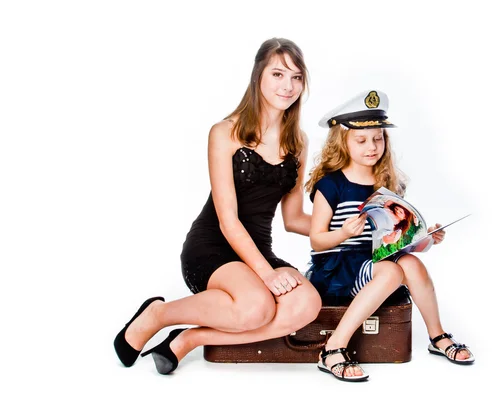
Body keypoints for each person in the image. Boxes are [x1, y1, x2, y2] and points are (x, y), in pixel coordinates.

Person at [114, 38, 322, 375]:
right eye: (278, 74)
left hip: (258, 251)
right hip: (213, 247)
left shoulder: (297, 141)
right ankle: (157, 314)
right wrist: (266, 274)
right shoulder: (225, 132)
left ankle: (190, 340)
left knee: (307, 304)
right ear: (258, 77)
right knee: (257, 307)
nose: (288, 86)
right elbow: (227, 221)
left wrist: (354, 229)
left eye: (297, 77)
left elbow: (294, 218)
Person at [305, 89, 474, 382]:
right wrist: (343, 233)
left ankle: (438, 336)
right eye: (361, 140)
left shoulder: (389, 184)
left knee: (411, 265)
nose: (372, 146)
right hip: (339, 269)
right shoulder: (331, 185)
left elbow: (392, 239)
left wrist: (422, 239)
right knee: (392, 272)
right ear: (341, 141)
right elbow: (316, 240)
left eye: (378, 138)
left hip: (377, 263)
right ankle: (332, 349)